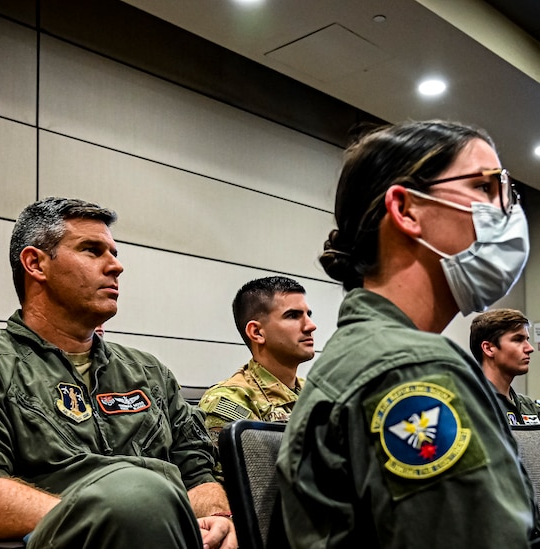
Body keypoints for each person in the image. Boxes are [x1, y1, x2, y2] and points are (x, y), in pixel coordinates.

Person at [0, 197, 236, 549]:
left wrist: (217, 518)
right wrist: (112, 515)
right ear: (36, 264)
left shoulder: (149, 372)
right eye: (92, 250)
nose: (115, 266)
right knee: (139, 495)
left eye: (114, 253)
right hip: (47, 542)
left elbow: (196, 473)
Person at [276, 120, 538, 547]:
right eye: (485, 188)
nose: (506, 212)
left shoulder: (368, 354)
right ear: (406, 209)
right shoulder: (413, 370)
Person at [199, 276, 316, 445]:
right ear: (257, 333)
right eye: (293, 316)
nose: (311, 325)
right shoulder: (229, 401)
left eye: (308, 315)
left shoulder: (314, 392)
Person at [471, 308, 540, 425]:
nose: (530, 348)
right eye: (518, 340)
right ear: (488, 348)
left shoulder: (528, 406)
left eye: (527, 340)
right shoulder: (471, 405)